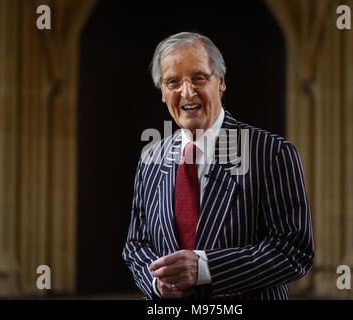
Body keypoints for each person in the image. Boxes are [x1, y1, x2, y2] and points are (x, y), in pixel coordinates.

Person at [122, 32, 314, 300]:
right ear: (163, 94)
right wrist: (157, 285)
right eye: (173, 81)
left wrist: (203, 268)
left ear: (220, 81)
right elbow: (136, 245)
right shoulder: (150, 158)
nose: (187, 92)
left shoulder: (272, 152)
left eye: (198, 77)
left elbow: (293, 251)